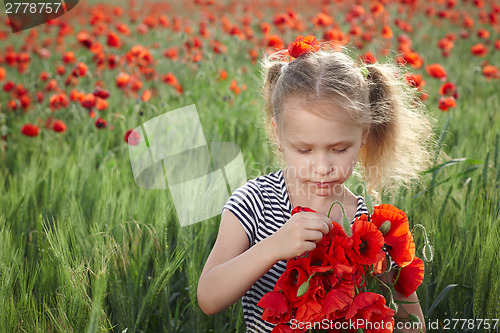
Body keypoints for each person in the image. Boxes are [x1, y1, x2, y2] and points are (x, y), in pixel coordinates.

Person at [197, 35, 434, 333]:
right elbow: (208, 297)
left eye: (339, 149)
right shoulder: (255, 202)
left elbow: (412, 323)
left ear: (363, 134)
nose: (322, 168)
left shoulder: (366, 228)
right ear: (278, 135)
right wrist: (274, 247)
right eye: (305, 150)